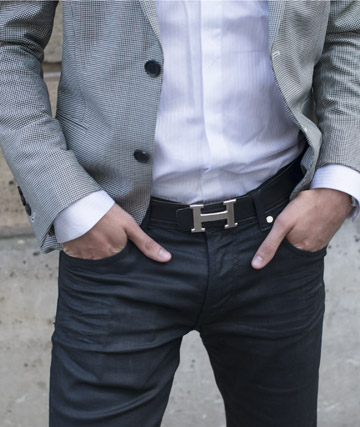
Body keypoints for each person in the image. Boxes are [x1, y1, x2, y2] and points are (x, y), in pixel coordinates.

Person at [1, 1, 359, 426]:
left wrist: (340, 178)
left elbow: (347, 32)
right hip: (117, 240)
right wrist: (68, 200)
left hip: (278, 240)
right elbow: (8, 39)